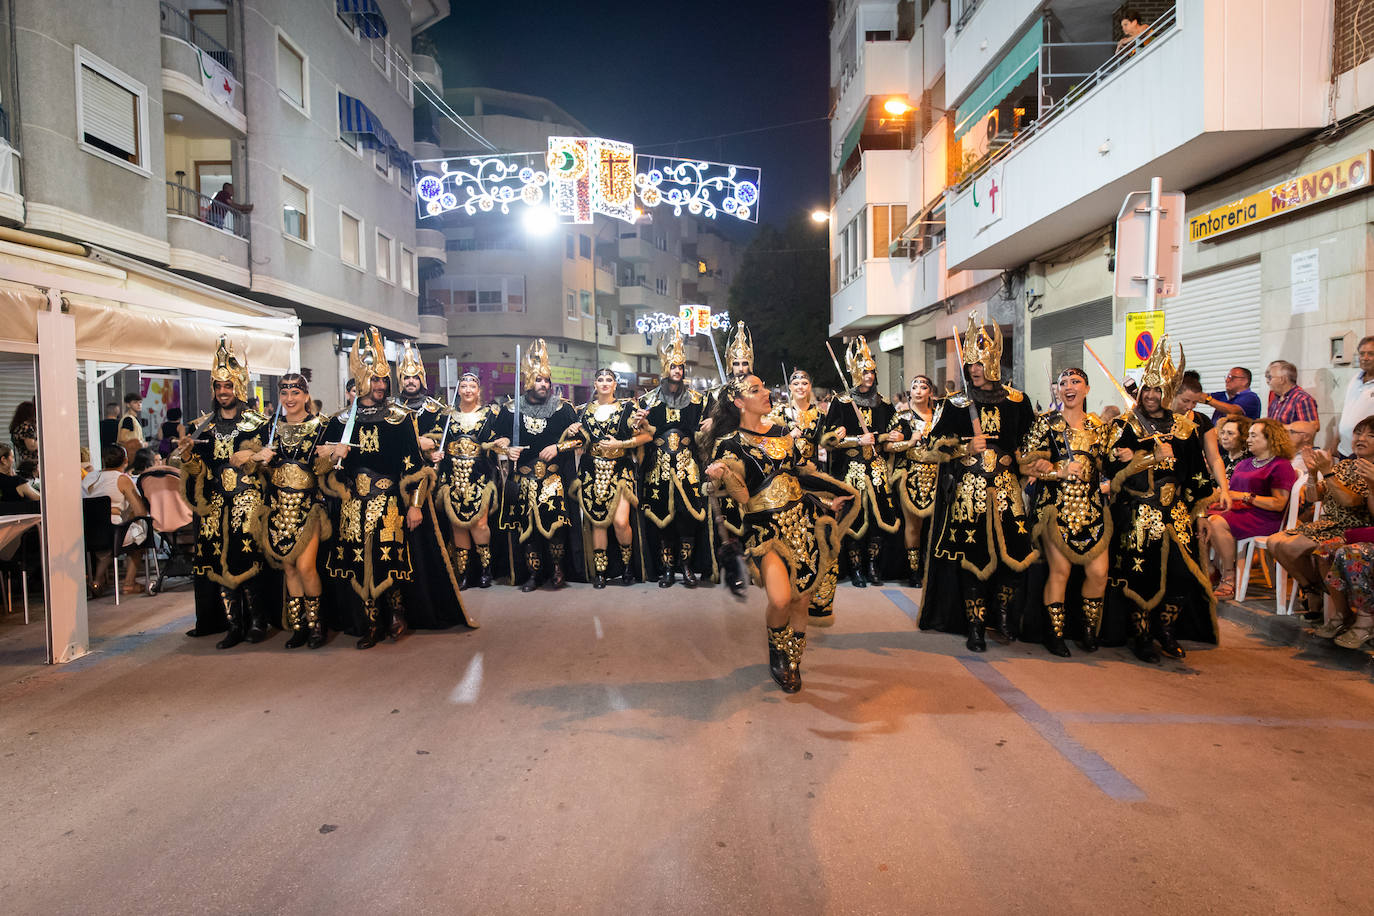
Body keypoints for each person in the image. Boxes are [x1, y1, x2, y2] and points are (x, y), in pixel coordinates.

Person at [319, 328, 473, 647]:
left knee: (389, 558)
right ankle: (370, 621)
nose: (380, 385)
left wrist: (415, 505)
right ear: (361, 380)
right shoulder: (339, 421)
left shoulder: (400, 418)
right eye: (374, 379)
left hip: (388, 502)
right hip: (352, 505)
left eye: (383, 379)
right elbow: (320, 469)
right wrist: (332, 455)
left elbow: (416, 468)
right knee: (358, 562)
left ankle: (396, 613)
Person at [705, 375, 858, 693]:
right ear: (739, 402)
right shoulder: (729, 443)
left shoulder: (782, 433)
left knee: (801, 599)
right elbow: (742, 496)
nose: (766, 393)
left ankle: (793, 660)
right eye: (756, 390)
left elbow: (803, 474)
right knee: (780, 598)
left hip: (802, 523)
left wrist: (833, 495)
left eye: (764, 386)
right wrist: (723, 474)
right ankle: (777, 649)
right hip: (764, 531)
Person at [919, 313, 1038, 651]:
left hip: (1007, 491)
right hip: (968, 492)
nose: (974, 369)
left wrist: (1029, 461)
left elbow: (1031, 441)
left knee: (1014, 553)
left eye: (980, 363)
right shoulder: (955, 403)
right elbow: (932, 446)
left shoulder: (1017, 401)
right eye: (970, 363)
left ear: (994, 362)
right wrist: (964, 447)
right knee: (972, 558)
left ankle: (1003, 613)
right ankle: (975, 625)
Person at [1105, 336, 1218, 663]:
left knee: (1184, 573)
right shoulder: (1125, 425)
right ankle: (1141, 635)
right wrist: (1142, 457)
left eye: (1157, 389)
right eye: (1147, 389)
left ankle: (1165, 630)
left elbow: (1196, 473)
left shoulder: (1185, 428)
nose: (1151, 395)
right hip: (1139, 511)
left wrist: (1201, 514)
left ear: (1167, 391)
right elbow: (1109, 464)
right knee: (1140, 575)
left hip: (1176, 511)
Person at [178, 338, 271, 648]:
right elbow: (198, 473)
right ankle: (234, 625)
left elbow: (270, 463)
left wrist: (253, 456)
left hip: (249, 504)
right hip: (217, 505)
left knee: (250, 560)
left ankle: (257, 621)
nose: (223, 392)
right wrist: (188, 457)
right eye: (218, 387)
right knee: (220, 563)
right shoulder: (201, 427)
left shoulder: (258, 424)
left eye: (228, 386)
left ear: (238, 387)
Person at [1023, 368, 1111, 656]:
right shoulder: (1046, 423)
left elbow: (1109, 464)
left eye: (1075, 382)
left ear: (1087, 388)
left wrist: (1120, 465)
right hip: (1055, 508)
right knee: (1060, 570)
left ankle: (1088, 630)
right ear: (1057, 390)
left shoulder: (1099, 427)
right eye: (1063, 383)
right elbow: (1026, 463)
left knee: (1099, 572)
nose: (1069, 387)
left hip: (1092, 510)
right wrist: (1057, 470)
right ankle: (1055, 633)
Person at [249, 373, 331, 649]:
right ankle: (299, 626)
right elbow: (248, 461)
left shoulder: (322, 426)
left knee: (306, 566)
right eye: (284, 393)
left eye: (295, 393)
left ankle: (317, 625)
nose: (290, 399)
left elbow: (329, 468)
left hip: (309, 506)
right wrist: (258, 458)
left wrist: (330, 456)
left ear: (306, 395)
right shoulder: (270, 427)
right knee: (289, 567)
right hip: (278, 506)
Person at [493, 339, 581, 592]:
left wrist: (558, 447)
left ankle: (558, 570)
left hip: (552, 478)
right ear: (528, 381)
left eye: (546, 380)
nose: (544, 384)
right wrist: (506, 448)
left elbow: (581, 438)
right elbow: (494, 439)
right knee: (527, 527)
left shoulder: (562, 408)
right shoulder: (511, 409)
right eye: (538, 380)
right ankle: (533, 573)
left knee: (555, 526)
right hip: (522, 478)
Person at [1266, 417, 1374, 624]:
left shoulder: (1369, 470)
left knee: (1289, 547)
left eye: (1371, 435)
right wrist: (1313, 473)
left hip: (1351, 528)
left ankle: (1321, 594)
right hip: (1327, 524)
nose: (1361, 439)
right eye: (1358, 433)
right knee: (1274, 542)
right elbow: (1314, 496)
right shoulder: (1346, 465)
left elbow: (1350, 501)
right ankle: (1313, 589)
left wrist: (1327, 471)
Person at [821, 336, 902, 587]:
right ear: (855, 373)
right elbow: (827, 439)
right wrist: (856, 440)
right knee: (852, 519)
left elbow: (896, 427)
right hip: (850, 470)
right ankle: (855, 568)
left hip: (876, 469)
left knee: (878, 520)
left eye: (871, 371)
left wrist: (893, 435)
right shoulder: (842, 402)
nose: (869, 376)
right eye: (864, 371)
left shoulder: (883, 402)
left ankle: (873, 566)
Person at [634, 329, 710, 588]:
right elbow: (638, 435)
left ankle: (686, 567)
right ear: (665, 368)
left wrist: (710, 426)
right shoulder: (648, 401)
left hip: (688, 465)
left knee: (687, 516)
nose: (678, 370)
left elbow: (704, 433)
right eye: (673, 366)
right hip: (658, 465)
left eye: (680, 366)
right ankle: (667, 568)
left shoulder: (698, 400)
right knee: (662, 517)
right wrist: (639, 425)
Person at [766, 368, 843, 624]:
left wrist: (836, 436)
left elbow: (827, 443)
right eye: (796, 382)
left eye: (805, 382)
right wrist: (787, 436)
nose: (800, 386)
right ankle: (786, 597)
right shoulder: (778, 414)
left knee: (820, 537)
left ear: (810, 386)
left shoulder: (820, 415)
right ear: (790, 387)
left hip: (812, 480)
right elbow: (765, 443)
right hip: (784, 481)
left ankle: (818, 602)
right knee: (787, 541)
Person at [1201, 418, 1297, 599]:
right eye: (1249, 435)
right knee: (1200, 518)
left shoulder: (1280, 465)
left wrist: (1245, 496)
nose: (1248, 439)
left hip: (1264, 517)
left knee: (1215, 522)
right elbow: (1232, 494)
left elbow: (1279, 504)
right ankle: (1209, 569)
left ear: (1270, 438)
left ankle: (1229, 576)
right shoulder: (1245, 463)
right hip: (1239, 511)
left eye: (1254, 435)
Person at [572, 368, 649, 588]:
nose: (605, 383)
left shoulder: (628, 408)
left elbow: (646, 436)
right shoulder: (583, 411)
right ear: (594, 385)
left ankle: (627, 566)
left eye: (609, 380)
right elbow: (578, 442)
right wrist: (570, 432)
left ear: (615, 385)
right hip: (592, 472)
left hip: (620, 469)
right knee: (598, 523)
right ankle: (600, 571)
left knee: (621, 522)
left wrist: (621, 444)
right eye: (600, 379)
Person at [434, 370, 506, 589]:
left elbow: (499, 437)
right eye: (464, 386)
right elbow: (435, 439)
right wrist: (434, 452)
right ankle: (463, 572)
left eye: (472, 386)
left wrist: (501, 442)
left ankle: (486, 569)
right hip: (453, 475)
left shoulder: (490, 414)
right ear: (459, 390)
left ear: (478, 390)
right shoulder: (447, 415)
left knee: (480, 523)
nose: (467, 390)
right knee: (458, 524)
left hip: (480, 474)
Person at [888, 374, 940, 588]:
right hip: (909, 475)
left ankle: (933, 570)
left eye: (923, 387)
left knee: (935, 526)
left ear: (930, 392)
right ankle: (914, 571)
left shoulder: (940, 416)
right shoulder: (902, 417)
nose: (918, 391)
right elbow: (888, 446)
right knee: (913, 524)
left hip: (937, 475)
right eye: (914, 387)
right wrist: (909, 442)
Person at [81, 444, 150, 597]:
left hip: (88, 532)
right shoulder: (122, 479)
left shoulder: (89, 477)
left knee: (108, 545)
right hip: (114, 532)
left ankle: (97, 581)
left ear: (103, 460)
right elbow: (140, 511)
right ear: (126, 460)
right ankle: (129, 583)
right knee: (140, 534)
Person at [395, 341, 446, 442]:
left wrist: (432, 443)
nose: (411, 381)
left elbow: (444, 440)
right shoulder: (392, 408)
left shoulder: (435, 409)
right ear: (400, 380)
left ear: (421, 381)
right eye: (406, 377)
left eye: (415, 378)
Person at [1264, 360, 1321, 450]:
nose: (1267, 382)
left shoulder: (1302, 399)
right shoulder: (1275, 400)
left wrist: (1278, 428)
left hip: (1294, 452)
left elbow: (1313, 427)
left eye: (1270, 377)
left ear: (1282, 379)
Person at [1333, 335, 1374, 458]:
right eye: (1362, 354)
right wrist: (1335, 441)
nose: (1365, 358)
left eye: (1371, 354)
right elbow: (1346, 412)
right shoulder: (1355, 379)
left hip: (1368, 454)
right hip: (1345, 450)